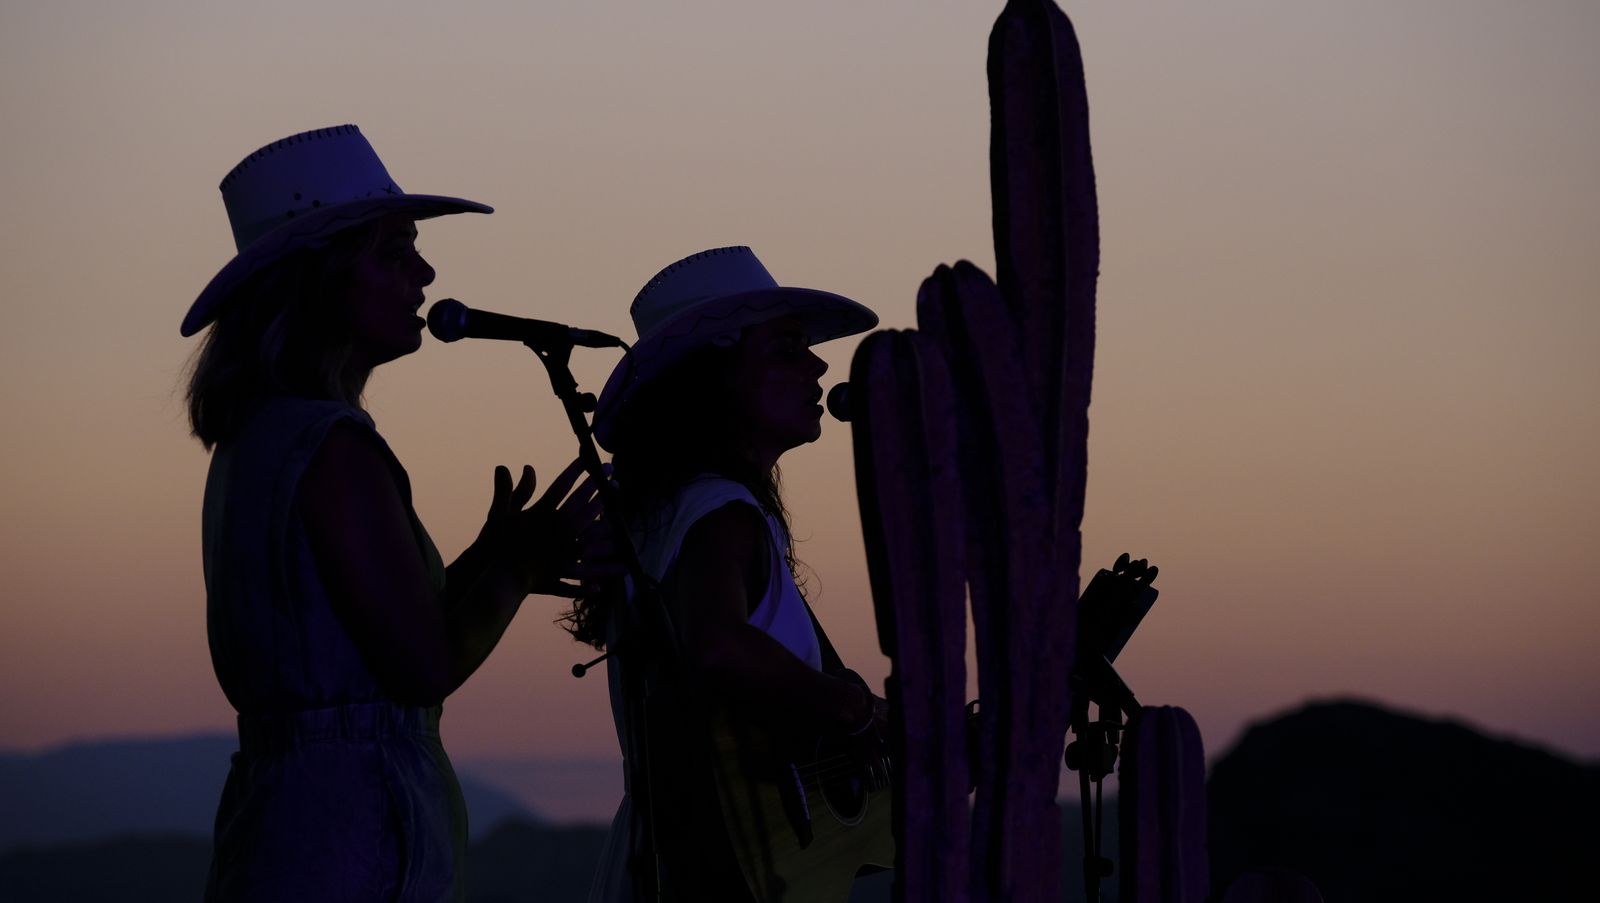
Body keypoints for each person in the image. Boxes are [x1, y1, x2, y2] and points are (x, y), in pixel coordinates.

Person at [182, 124, 601, 901]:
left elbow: (362, 638)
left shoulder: (260, 440)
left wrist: (486, 556)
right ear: (323, 278)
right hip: (347, 843)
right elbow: (421, 668)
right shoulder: (330, 447)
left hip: (289, 827)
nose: (425, 271)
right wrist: (516, 567)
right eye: (393, 250)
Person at [565, 246, 885, 902]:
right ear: (714, 376)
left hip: (665, 854)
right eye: (787, 347)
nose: (818, 363)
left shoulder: (668, 511)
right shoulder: (720, 508)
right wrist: (855, 709)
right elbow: (719, 643)